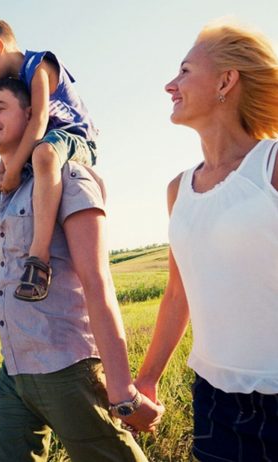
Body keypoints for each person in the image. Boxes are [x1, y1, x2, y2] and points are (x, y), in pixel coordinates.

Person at [0, 78, 163, 461]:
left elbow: (97, 282)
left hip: (66, 367)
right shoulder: (2, 195)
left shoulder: (68, 178)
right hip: (14, 370)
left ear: (31, 116)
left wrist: (123, 391)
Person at [135, 21, 278, 461]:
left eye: (183, 72)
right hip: (214, 401)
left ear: (225, 80)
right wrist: (147, 378)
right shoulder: (178, 189)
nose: (169, 85)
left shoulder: (272, 165)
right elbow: (178, 294)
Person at [0, 15, 97, 301]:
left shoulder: (37, 65)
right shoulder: (15, 81)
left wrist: (15, 168)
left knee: (43, 152)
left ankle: (38, 259)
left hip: (74, 140)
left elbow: (39, 120)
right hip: (44, 148)